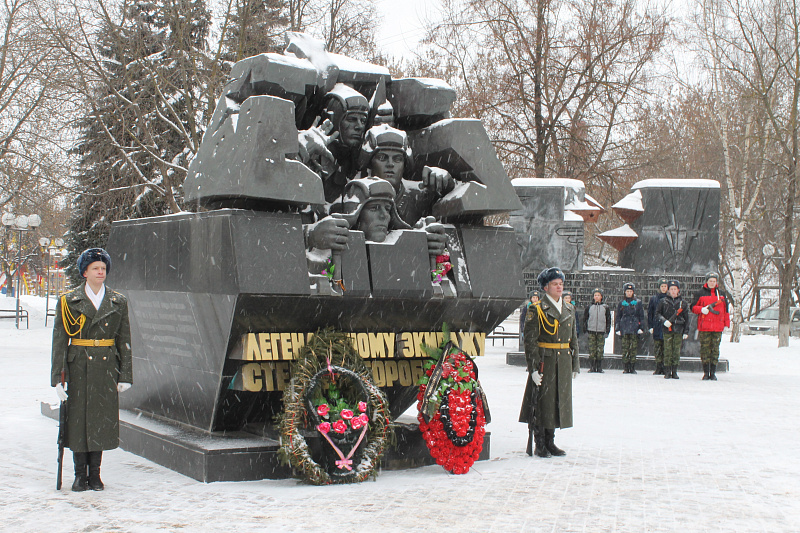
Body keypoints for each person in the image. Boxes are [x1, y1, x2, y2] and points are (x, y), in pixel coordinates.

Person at [50, 248, 132, 492]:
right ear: (84, 272)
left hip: (106, 367)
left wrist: (125, 374)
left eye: (103, 268)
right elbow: (59, 341)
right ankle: (79, 475)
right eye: (95, 268)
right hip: (78, 366)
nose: (100, 272)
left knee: (99, 420)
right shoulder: (68, 301)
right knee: (78, 421)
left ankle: (95, 474)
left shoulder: (118, 301)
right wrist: (58, 378)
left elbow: (124, 340)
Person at [519, 267, 579, 458]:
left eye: (561, 284)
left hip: (563, 361)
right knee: (543, 402)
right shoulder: (536, 309)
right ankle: (540, 442)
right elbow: (530, 341)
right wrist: (533, 368)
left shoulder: (569, 308)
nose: (559, 287)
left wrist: (575, 364)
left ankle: (550, 441)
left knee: (556, 401)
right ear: (545, 287)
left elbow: (573, 339)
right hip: (545, 360)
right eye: (555, 284)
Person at [691, 272, 730, 380]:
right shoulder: (700, 293)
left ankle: (713, 372)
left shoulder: (721, 294)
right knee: (705, 350)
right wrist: (701, 309)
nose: (712, 283)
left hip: (717, 326)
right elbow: (693, 307)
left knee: (715, 350)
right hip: (705, 327)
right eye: (710, 281)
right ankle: (706, 372)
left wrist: (726, 324)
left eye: (714, 281)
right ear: (707, 281)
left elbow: (726, 310)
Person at [656, 280, 690, 379]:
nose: (673, 291)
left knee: (676, 351)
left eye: (675, 289)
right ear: (668, 290)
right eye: (671, 289)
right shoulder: (663, 301)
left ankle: (674, 371)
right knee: (667, 350)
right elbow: (657, 313)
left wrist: (686, 331)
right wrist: (664, 321)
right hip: (667, 329)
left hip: (678, 329)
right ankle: (667, 371)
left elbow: (687, 318)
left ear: (678, 290)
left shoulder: (683, 303)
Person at [615, 282, 644, 374]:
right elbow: (618, 316)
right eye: (627, 291)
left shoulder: (638, 303)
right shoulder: (622, 303)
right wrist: (617, 328)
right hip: (624, 327)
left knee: (633, 348)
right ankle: (626, 367)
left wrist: (641, 327)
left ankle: (632, 367)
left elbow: (641, 316)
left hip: (634, 328)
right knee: (625, 348)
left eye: (630, 291)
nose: (629, 293)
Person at [584, 288, 611, 373]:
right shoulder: (589, 307)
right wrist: (585, 330)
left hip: (601, 331)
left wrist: (607, 331)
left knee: (600, 350)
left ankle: (599, 367)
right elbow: (585, 319)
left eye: (598, 295)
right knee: (592, 350)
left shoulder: (605, 307)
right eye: (595, 295)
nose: (596, 297)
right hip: (591, 330)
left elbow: (608, 320)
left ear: (601, 297)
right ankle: (592, 366)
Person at [648, 278, 669, 375]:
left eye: (665, 286)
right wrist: (651, 326)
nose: (663, 288)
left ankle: (665, 367)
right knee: (657, 347)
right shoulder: (654, 299)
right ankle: (658, 366)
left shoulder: (669, 298)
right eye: (662, 286)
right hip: (657, 325)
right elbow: (650, 313)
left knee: (666, 347)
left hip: (666, 326)